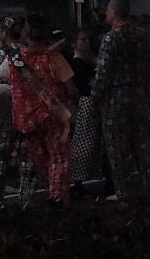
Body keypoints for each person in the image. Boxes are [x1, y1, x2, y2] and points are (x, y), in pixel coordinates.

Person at [92, 0, 150, 201]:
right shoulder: (144, 36)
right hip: (139, 94)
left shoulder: (111, 38)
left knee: (116, 145)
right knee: (141, 141)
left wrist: (95, 96)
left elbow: (104, 72)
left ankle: (123, 189)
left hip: (116, 96)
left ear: (113, 12)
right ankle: (149, 183)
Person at [7, 15, 78, 205]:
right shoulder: (55, 58)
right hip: (53, 115)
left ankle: (30, 199)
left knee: (37, 159)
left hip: (26, 119)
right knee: (58, 157)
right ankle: (57, 198)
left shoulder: (14, 59)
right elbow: (71, 89)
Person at [69, 30, 106, 190]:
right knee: (84, 142)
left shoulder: (88, 61)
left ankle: (84, 177)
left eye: (87, 39)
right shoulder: (78, 64)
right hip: (86, 102)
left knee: (92, 143)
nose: (86, 42)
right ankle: (76, 179)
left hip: (91, 102)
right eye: (82, 40)